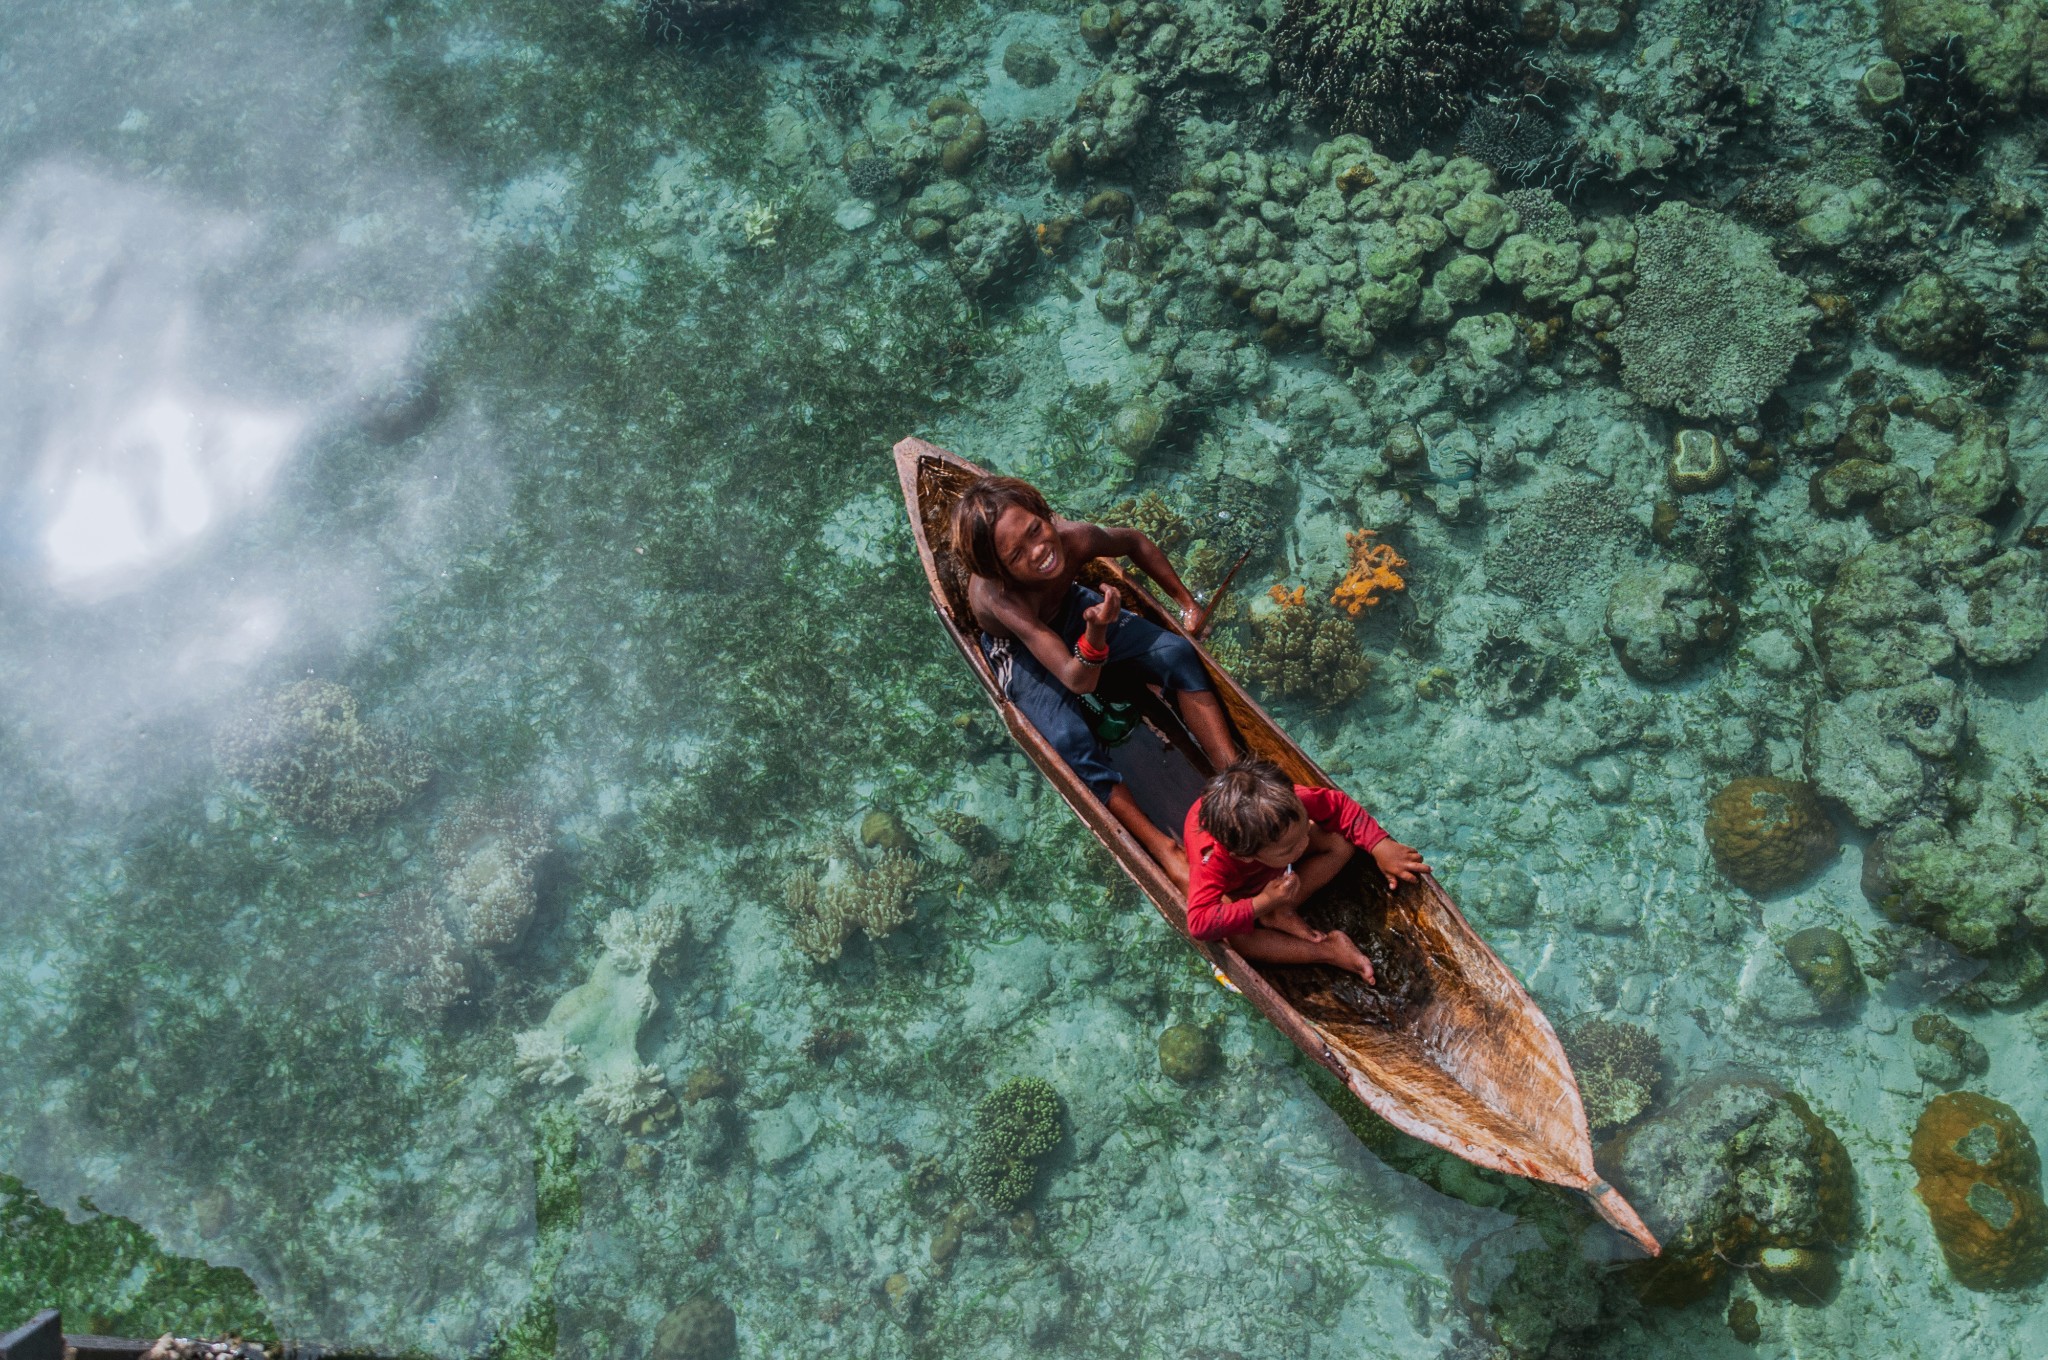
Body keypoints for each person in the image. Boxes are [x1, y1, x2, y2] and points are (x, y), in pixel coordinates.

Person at [950, 475, 1237, 886]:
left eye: (1036, 529)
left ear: (1045, 514)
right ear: (1000, 572)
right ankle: (1162, 847)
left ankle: (1234, 774)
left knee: (1177, 654)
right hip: (1021, 648)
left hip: (1073, 609)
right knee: (1069, 741)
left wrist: (1186, 602)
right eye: (1017, 555)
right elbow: (1075, 678)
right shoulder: (1002, 598)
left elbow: (1135, 542)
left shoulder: (1073, 539)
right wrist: (1096, 635)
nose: (1040, 551)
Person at [1183, 759, 1429, 984]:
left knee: (1340, 842)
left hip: (1276, 878)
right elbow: (1200, 923)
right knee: (1238, 940)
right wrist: (1263, 902)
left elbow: (1341, 808)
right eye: (1290, 847)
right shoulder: (1212, 859)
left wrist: (1379, 845)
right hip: (1243, 890)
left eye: (1304, 832)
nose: (1303, 846)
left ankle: (1282, 910)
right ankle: (1327, 952)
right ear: (1245, 856)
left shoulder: (1290, 801)